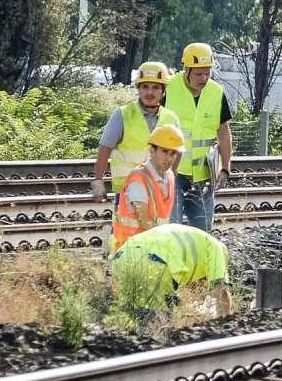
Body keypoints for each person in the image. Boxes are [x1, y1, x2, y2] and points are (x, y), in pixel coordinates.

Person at [166, 42, 234, 233]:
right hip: (172, 173)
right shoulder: (168, 88)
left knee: (203, 230)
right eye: (198, 74)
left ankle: (198, 263)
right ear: (186, 69)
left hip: (203, 177)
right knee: (172, 228)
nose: (203, 78)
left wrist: (225, 168)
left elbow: (223, 132)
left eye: (207, 73)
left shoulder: (216, 92)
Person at [93, 61, 182, 202]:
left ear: (163, 91)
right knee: (127, 225)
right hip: (128, 193)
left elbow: (178, 152)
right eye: (145, 87)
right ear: (138, 89)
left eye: (155, 87)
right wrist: (98, 181)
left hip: (159, 192)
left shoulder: (171, 118)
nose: (150, 92)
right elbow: (105, 148)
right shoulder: (122, 115)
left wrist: (171, 178)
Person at [110, 223, 234, 313]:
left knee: (130, 316)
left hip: (121, 257)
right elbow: (221, 293)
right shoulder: (216, 249)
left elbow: (187, 294)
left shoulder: (194, 242)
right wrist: (224, 327)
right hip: (154, 262)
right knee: (160, 323)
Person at [111, 121, 185, 250]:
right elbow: (145, 221)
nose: (169, 158)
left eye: (173, 153)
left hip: (150, 245)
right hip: (130, 249)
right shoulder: (138, 179)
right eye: (164, 151)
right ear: (152, 151)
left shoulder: (169, 176)